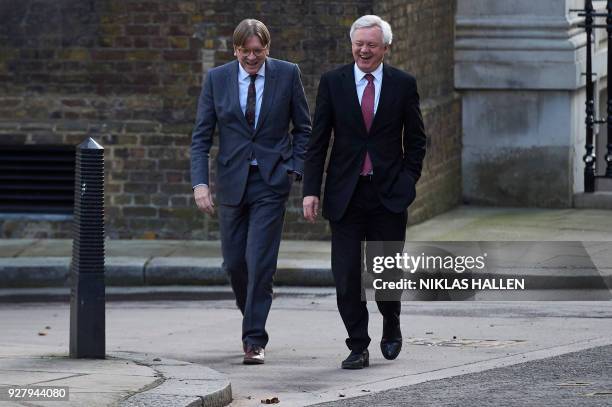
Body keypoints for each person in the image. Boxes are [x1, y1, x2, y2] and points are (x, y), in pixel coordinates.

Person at [302, 15, 426, 369]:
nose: (364, 50)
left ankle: (391, 321)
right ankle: (358, 344)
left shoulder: (403, 84)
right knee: (346, 277)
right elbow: (318, 141)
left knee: (386, 274)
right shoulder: (333, 82)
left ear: (385, 47)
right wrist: (311, 190)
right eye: (359, 43)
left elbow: (416, 140)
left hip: (388, 194)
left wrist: (408, 180)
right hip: (346, 194)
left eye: (372, 44)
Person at [191, 18, 311, 365]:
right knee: (234, 263)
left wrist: (294, 167)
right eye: (246, 51)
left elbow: (304, 128)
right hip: (230, 182)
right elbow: (201, 137)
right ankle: (251, 315)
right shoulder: (217, 79)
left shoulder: (288, 75)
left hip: (271, 182)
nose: (252, 57)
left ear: (268, 49)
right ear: (236, 50)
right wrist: (200, 183)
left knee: (260, 262)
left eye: (258, 51)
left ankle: (254, 339)